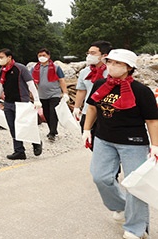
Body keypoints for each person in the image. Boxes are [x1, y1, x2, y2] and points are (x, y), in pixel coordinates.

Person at [82, 49, 158, 239]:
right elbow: (92, 107)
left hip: (133, 143)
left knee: (134, 185)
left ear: (129, 67)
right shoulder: (100, 84)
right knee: (100, 177)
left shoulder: (141, 91)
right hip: (104, 139)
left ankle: (136, 228)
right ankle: (120, 207)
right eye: (110, 62)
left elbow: (152, 121)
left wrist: (155, 146)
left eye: (117, 63)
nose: (111, 67)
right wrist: (86, 130)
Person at [0, 48, 43, 160]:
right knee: (13, 127)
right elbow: (0, 86)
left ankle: (36, 142)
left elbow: (30, 84)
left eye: (2, 57)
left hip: (21, 102)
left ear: (9, 57)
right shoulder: (2, 71)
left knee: (25, 125)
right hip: (8, 102)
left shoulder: (20, 68)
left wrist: (37, 99)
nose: (0, 59)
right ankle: (19, 151)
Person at [73, 41, 111, 150]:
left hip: (106, 112)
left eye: (93, 53)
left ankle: (110, 165)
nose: (89, 56)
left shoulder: (111, 72)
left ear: (104, 56)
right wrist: (76, 107)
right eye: (88, 53)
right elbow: (81, 91)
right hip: (88, 111)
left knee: (107, 147)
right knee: (91, 142)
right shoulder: (85, 72)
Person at [30, 48, 69, 142]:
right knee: (46, 113)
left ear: (48, 56)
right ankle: (52, 129)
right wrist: (32, 93)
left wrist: (65, 92)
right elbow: (31, 82)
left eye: (44, 55)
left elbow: (61, 80)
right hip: (42, 95)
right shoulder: (34, 68)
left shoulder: (56, 67)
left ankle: (52, 132)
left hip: (54, 93)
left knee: (53, 111)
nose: (42, 57)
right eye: (40, 56)